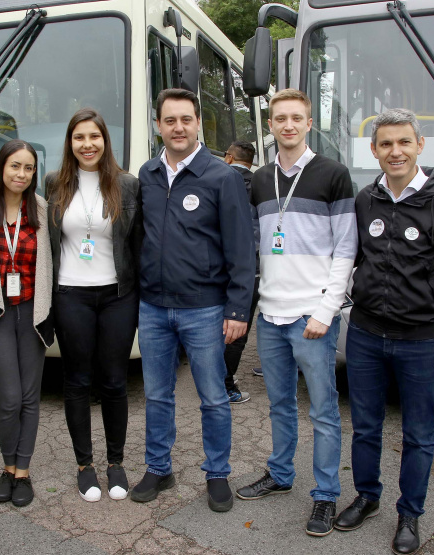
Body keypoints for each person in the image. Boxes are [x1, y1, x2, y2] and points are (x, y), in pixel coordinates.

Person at [334, 108, 434, 554]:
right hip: (366, 335)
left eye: (404, 143)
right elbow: (348, 259)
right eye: (386, 144)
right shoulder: (365, 200)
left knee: (418, 434)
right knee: (366, 427)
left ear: (419, 146)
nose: (395, 152)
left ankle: (410, 513)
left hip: (422, 340)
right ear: (374, 150)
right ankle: (367, 497)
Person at [236, 88, 357, 537]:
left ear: (309, 123)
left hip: (313, 316)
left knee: (324, 412)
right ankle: (281, 474)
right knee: (281, 406)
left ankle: (325, 496)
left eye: (296, 118)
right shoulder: (261, 180)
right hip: (271, 314)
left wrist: (327, 309)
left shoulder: (333, 174)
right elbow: (257, 245)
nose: (287, 125)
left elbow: (346, 248)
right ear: (269, 125)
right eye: (279, 118)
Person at [129, 88, 255, 513]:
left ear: (198, 122)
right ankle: (158, 467)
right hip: (154, 307)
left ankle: (217, 472)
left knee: (214, 397)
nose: (178, 127)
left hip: (205, 308)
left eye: (185, 119)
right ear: (158, 125)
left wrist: (238, 309)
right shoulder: (146, 175)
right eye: (169, 120)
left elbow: (242, 249)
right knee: (157, 395)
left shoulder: (222, 177)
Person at [46, 108, 142, 502]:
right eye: (79, 138)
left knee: (115, 381)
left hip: (118, 295)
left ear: (105, 141)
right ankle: (85, 466)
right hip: (71, 294)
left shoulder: (127, 184)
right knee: (77, 381)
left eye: (94, 137)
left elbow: (137, 243)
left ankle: (115, 462)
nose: (87, 145)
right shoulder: (54, 184)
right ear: (70, 143)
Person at [0, 139, 54, 508]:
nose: (21, 174)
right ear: (1, 167)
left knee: (30, 398)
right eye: (15, 166)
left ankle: (23, 472)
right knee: (9, 399)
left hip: (33, 310)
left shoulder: (44, 210)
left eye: (29, 168)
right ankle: (7, 466)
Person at [222, 141, 260, 401]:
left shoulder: (217, 179)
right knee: (238, 329)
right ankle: (226, 385)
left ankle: (217, 380)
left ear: (229, 157)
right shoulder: (261, 184)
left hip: (217, 268)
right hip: (251, 270)